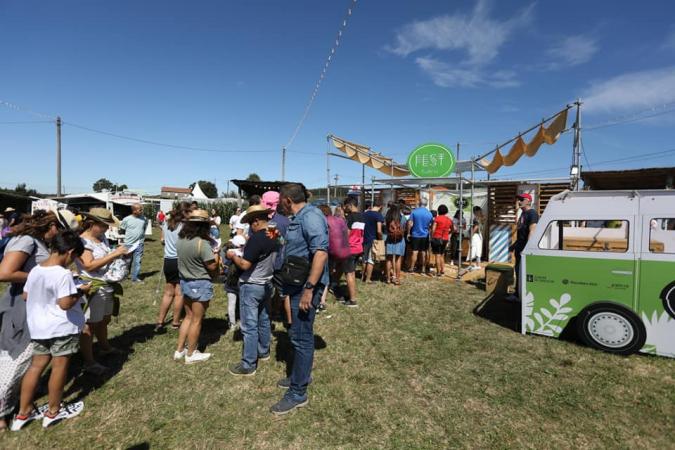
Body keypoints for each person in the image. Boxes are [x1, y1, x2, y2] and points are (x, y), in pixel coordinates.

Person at [0, 209, 78, 431]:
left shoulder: (37, 243)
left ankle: (17, 407)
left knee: (28, 360)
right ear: (52, 226)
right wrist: (47, 278)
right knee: (15, 359)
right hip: (22, 309)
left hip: (36, 305)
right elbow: (4, 272)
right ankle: (3, 413)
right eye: (60, 228)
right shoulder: (26, 241)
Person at [271, 183, 328, 415]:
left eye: (279, 201)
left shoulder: (310, 217)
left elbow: (321, 253)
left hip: (305, 287)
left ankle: (298, 392)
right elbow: (299, 248)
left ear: (286, 200)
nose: (278, 205)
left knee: (302, 338)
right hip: (296, 283)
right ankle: (299, 375)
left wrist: (309, 289)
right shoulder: (299, 217)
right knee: (296, 334)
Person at [227, 205, 279, 376]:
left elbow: (245, 264)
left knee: (249, 325)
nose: (250, 226)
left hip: (251, 284)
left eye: (250, 223)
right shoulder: (273, 233)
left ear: (256, 221)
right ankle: (263, 351)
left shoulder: (257, 238)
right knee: (264, 319)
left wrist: (233, 256)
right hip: (267, 283)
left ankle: (248, 364)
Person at [75, 208, 129, 375]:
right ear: (92, 224)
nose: (106, 229)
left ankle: (104, 347)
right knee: (90, 325)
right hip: (93, 287)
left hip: (105, 285)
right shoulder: (83, 242)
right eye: (103, 225)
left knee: (104, 320)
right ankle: (89, 361)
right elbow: (89, 265)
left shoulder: (101, 237)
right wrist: (114, 254)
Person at [174, 209, 219, 364]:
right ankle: (191, 353)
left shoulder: (181, 240)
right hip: (199, 282)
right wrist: (217, 256)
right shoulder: (202, 244)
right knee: (197, 320)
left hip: (185, 281)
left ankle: (179, 350)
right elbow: (212, 267)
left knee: (188, 316)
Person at [155, 208, 185, 333]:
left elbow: (163, 240)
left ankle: (160, 321)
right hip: (179, 260)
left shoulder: (166, 225)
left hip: (168, 260)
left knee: (168, 292)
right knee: (179, 293)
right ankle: (176, 321)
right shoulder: (183, 227)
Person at [507, 193, 538, 302]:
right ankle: (517, 294)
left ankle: (522, 296)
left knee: (523, 272)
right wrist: (513, 246)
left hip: (525, 249)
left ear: (528, 201)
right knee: (518, 271)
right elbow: (521, 234)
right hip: (519, 247)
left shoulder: (532, 213)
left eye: (521, 199)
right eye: (518, 199)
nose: (519, 201)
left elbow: (532, 231)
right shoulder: (522, 214)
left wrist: (528, 249)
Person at [338, 196, 363, 307]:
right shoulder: (362, 216)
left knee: (349, 274)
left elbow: (346, 234)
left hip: (350, 248)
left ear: (350, 205)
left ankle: (352, 300)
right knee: (352, 273)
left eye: (346, 206)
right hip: (358, 247)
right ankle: (351, 294)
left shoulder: (351, 217)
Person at [119, 204, 147, 283]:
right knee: (126, 262)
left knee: (137, 261)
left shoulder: (144, 219)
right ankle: (123, 276)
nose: (142, 211)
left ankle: (135, 278)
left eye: (142, 209)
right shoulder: (126, 219)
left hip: (139, 244)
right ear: (134, 210)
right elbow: (122, 230)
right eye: (140, 209)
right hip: (128, 244)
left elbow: (143, 229)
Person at [407, 198, 433, 274]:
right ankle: (423, 269)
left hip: (415, 234)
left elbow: (410, 223)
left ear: (419, 203)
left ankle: (411, 268)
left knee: (415, 252)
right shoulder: (429, 213)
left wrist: (408, 233)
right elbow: (430, 225)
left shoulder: (414, 212)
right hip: (425, 235)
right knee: (423, 252)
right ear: (426, 204)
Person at [362, 200, 384, 283]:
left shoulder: (364, 214)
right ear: (380, 206)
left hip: (364, 239)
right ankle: (368, 279)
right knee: (371, 260)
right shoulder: (378, 215)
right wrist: (381, 239)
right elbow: (379, 230)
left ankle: (362, 276)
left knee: (364, 259)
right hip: (373, 239)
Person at [384, 204, 407, 285]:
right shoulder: (402, 218)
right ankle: (397, 279)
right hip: (400, 240)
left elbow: (385, 229)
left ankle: (388, 279)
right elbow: (404, 229)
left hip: (389, 239)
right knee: (398, 260)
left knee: (388, 259)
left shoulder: (387, 218)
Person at [430, 204, 452, 277]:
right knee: (442, 255)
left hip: (437, 238)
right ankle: (442, 270)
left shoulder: (437, 218)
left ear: (439, 211)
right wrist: (449, 233)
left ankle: (438, 272)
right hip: (445, 239)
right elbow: (454, 229)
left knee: (437, 255)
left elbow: (433, 228)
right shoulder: (449, 219)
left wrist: (432, 236)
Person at [468, 206, 484, 271]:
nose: (480, 212)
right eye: (479, 211)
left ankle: (477, 264)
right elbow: (476, 227)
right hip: (477, 235)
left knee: (476, 249)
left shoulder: (476, 218)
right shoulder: (477, 218)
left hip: (476, 235)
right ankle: (477, 264)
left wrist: (471, 235)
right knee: (477, 250)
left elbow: (476, 227)